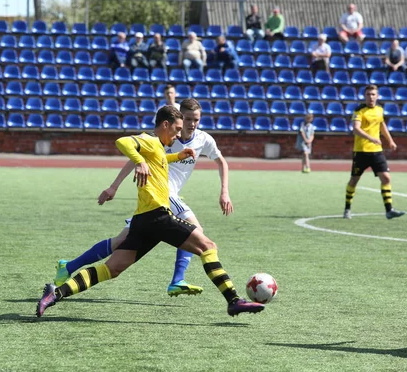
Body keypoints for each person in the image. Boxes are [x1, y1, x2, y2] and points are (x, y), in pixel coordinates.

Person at [36, 105, 264, 317]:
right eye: (175, 129)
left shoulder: (160, 148)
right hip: (158, 216)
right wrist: (138, 161)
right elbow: (122, 142)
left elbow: (159, 159)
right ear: (165, 125)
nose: (177, 135)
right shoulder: (150, 140)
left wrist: (177, 156)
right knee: (208, 246)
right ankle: (233, 299)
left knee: (111, 269)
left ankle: (55, 292)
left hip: (143, 220)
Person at [343, 85, 405, 220]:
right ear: (364, 96)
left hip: (377, 152)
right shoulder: (359, 111)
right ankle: (347, 208)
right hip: (361, 151)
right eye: (368, 94)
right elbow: (356, 129)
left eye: (373, 94)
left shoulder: (379, 110)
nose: (370, 97)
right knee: (354, 180)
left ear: (377, 96)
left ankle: (389, 210)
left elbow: (382, 126)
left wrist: (390, 141)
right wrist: (371, 138)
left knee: (386, 178)